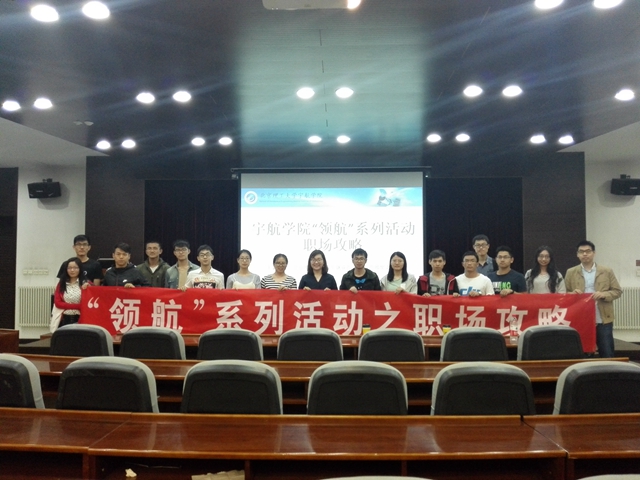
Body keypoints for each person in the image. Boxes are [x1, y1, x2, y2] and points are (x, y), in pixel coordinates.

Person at [565, 240, 622, 358]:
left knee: (607, 352)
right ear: (577, 254)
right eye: (581, 252)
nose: (585, 254)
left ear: (594, 253)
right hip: (580, 318)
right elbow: (564, 295)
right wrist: (573, 294)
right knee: (583, 353)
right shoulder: (571, 272)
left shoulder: (606, 271)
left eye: (588, 251)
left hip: (602, 318)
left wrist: (604, 294)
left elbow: (617, 291)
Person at [53, 257, 91, 328]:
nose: (72, 270)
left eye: (75, 268)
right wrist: (79, 306)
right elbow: (58, 303)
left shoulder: (87, 284)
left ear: (80, 269)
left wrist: (89, 288)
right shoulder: (61, 284)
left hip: (82, 319)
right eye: (69, 268)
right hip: (64, 319)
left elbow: (89, 303)